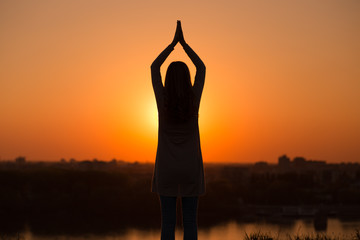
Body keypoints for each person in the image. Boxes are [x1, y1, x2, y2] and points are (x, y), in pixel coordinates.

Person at [151, 20, 206, 240]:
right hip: (191, 168)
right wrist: (184, 44)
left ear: (167, 80)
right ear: (186, 79)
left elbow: (154, 67)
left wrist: (173, 44)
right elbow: (201, 68)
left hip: (166, 168)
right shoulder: (193, 102)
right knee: (191, 221)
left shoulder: (162, 102)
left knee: (168, 222)